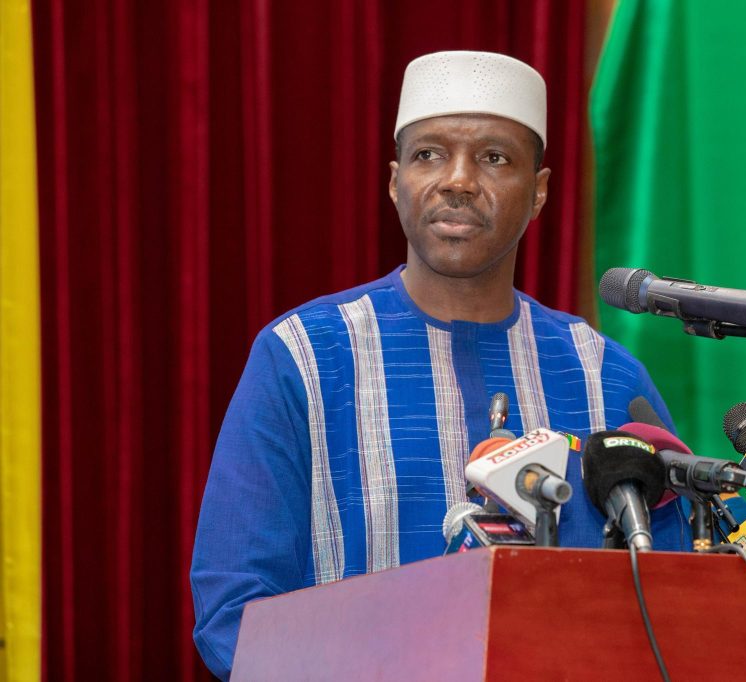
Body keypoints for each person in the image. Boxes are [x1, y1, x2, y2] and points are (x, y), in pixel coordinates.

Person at [190, 51, 693, 680]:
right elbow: (234, 613)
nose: (458, 180)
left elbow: (680, 588)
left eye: (494, 158)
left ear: (538, 192)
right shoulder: (304, 357)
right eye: (429, 155)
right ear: (395, 182)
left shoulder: (605, 376)